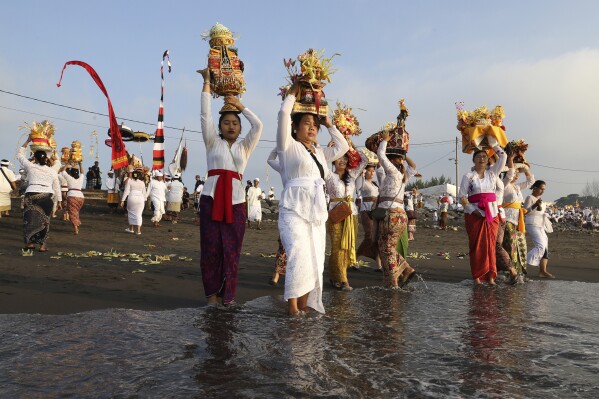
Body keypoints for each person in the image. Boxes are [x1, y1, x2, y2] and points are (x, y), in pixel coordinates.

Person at [276, 81, 349, 315]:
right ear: (295, 128)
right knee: (298, 253)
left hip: (316, 212)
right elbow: (283, 114)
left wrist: (329, 124)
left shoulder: (319, 152)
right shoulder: (288, 147)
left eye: (314, 125)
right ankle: (292, 306)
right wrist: (291, 94)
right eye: (306, 123)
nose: (312, 128)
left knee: (314, 258)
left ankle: (305, 305)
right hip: (293, 209)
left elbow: (343, 147)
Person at [197, 68, 263, 306]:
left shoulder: (245, 147)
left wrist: (240, 105)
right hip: (210, 200)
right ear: (221, 126)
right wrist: (206, 82)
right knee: (210, 249)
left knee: (232, 251)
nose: (231, 126)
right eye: (226, 123)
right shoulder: (212, 142)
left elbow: (259, 126)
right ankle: (211, 296)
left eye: (235, 123)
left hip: (236, 203)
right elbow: (205, 116)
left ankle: (229, 297)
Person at [458, 146, 506, 286]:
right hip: (474, 214)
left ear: (488, 160)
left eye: (484, 157)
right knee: (477, 246)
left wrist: (492, 144)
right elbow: (461, 196)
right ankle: (477, 277)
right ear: (473, 160)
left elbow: (503, 157)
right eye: (478, 157)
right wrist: (473, 210)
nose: (482, 159)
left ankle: (491, 277)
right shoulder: (468, 176)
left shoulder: (492, 174)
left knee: (491, 245)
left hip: (491, 214)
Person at [376, 130, 417, 288]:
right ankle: (401, 272)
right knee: (387, 247)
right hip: (401, 216)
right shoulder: (403, 177)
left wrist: (385, 141)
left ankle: (397, 277)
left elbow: (381, 155)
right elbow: (413, 166)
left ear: (392, 161)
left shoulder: (393, 172)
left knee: (386, 248)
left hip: (390, 214)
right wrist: (403, 154)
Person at [326, 149, 367, 290]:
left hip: (351, 214)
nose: (342, 161)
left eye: (344, 158)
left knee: (347, 246)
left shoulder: (352, 175)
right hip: (336, 215)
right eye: (338, 158)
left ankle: (334, 276)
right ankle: (343, 280)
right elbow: (320, 164)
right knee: (338, 247)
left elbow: (365, 160)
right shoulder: (329, 175)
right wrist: (328, 150)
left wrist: (350, 146)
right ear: (333, 161)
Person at [17, 138, 61, 252]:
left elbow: (19, 155)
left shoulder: (30, 166)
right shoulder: (52, 171)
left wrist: (27, 141)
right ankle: (42, 245)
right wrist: (59, 201)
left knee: (29, 220)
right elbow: (56, 187)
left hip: (31, 194)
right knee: (45, 221)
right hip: (47, 196)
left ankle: (30, 244)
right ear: (46, 159)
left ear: (34, 158)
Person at [502, 155, 535, 278]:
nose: (516, 176)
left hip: (518, 220)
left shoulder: (517, 187)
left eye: (517, 174)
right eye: (514, 173)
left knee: (521, 245)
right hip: (507, 219)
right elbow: (509, 175)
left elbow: (530, 182)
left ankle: (520, 271)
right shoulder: (503, 185)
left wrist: (525, 167)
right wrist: (511, 161)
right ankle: (509, 270)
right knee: (510, 245)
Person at [524, 180, 554, 278]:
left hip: (540, 225)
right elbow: (525, 212)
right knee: (541, 245)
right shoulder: (529, 198)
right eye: (541, 189)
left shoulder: (540, 199)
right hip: (532, 224)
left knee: (545, 247)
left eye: (544, 189)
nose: (542, 191)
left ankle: (542, 271)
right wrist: (535, 205)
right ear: (535, 188)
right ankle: (522, 262)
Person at [356, 163, 382, 271]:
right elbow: (357, 186)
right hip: (366, 210)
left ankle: (379, 263)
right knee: (369, 236)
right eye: (369, 171)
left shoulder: (375, 184)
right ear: (365, 172)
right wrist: (361, 169)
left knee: (376, 237)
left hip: (375, 211)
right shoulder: (363, 183)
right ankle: (355, 257)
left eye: (373, 171)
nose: (372, 173)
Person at [60, 162, 85, 234]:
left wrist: (68, 163)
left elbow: (63, 171)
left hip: (72, 196)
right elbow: (82, 173)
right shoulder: (80, 179)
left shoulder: (70, 178)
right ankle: (76, 225)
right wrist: (80, 164)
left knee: (73, 213)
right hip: (81, 197)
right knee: (75, 212)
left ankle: (75, 228)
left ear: (71, 173)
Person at [120, 169, 146, 235]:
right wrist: (144, 200)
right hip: (140, 198)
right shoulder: (142, 183)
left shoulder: (130, 182)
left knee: (131, 212)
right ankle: (139, 230)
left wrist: (122, 200)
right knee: (139, 214)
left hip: (132, 198)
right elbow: (144, 193)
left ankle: (131, 229)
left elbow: (126, 191)